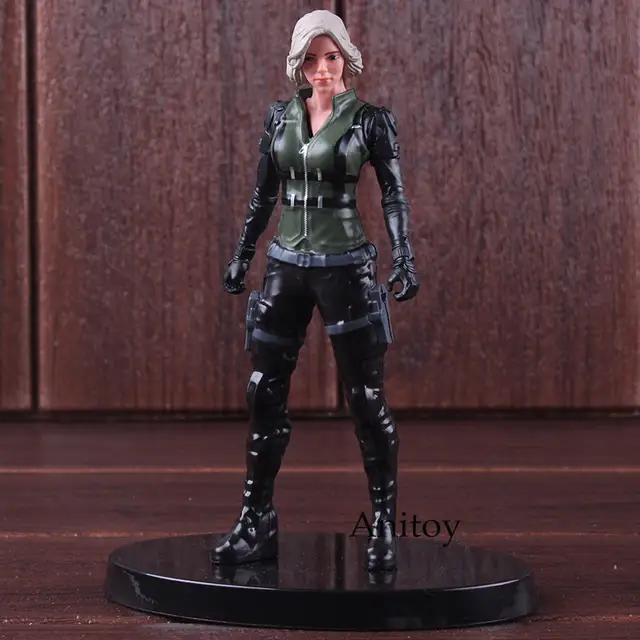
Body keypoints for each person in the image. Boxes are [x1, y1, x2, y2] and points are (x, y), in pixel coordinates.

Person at [212, 9, 419, 572]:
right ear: (297, 64)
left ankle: (383, 525)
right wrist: (243, 253)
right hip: (286, 264)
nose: (322, 69)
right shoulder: (280, 118)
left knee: (365, 397)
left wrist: (403, 255)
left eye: (331, 57)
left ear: (346, 58)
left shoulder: (370, 122)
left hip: (345, 267)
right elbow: (263, 195)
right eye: (310, 59)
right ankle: (256, 519)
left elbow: (394, 195)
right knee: (264, 391)